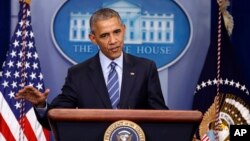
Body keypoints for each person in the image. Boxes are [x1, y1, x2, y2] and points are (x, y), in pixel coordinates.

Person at [16, 8, 168, 129]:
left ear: (124, 29)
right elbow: (56, 118)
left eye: (117, 32)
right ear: (93, 39)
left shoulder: (145, 68)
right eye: (104, 35)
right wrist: (41, 105)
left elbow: (160, 115)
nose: (113, 41)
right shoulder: (78, 74)